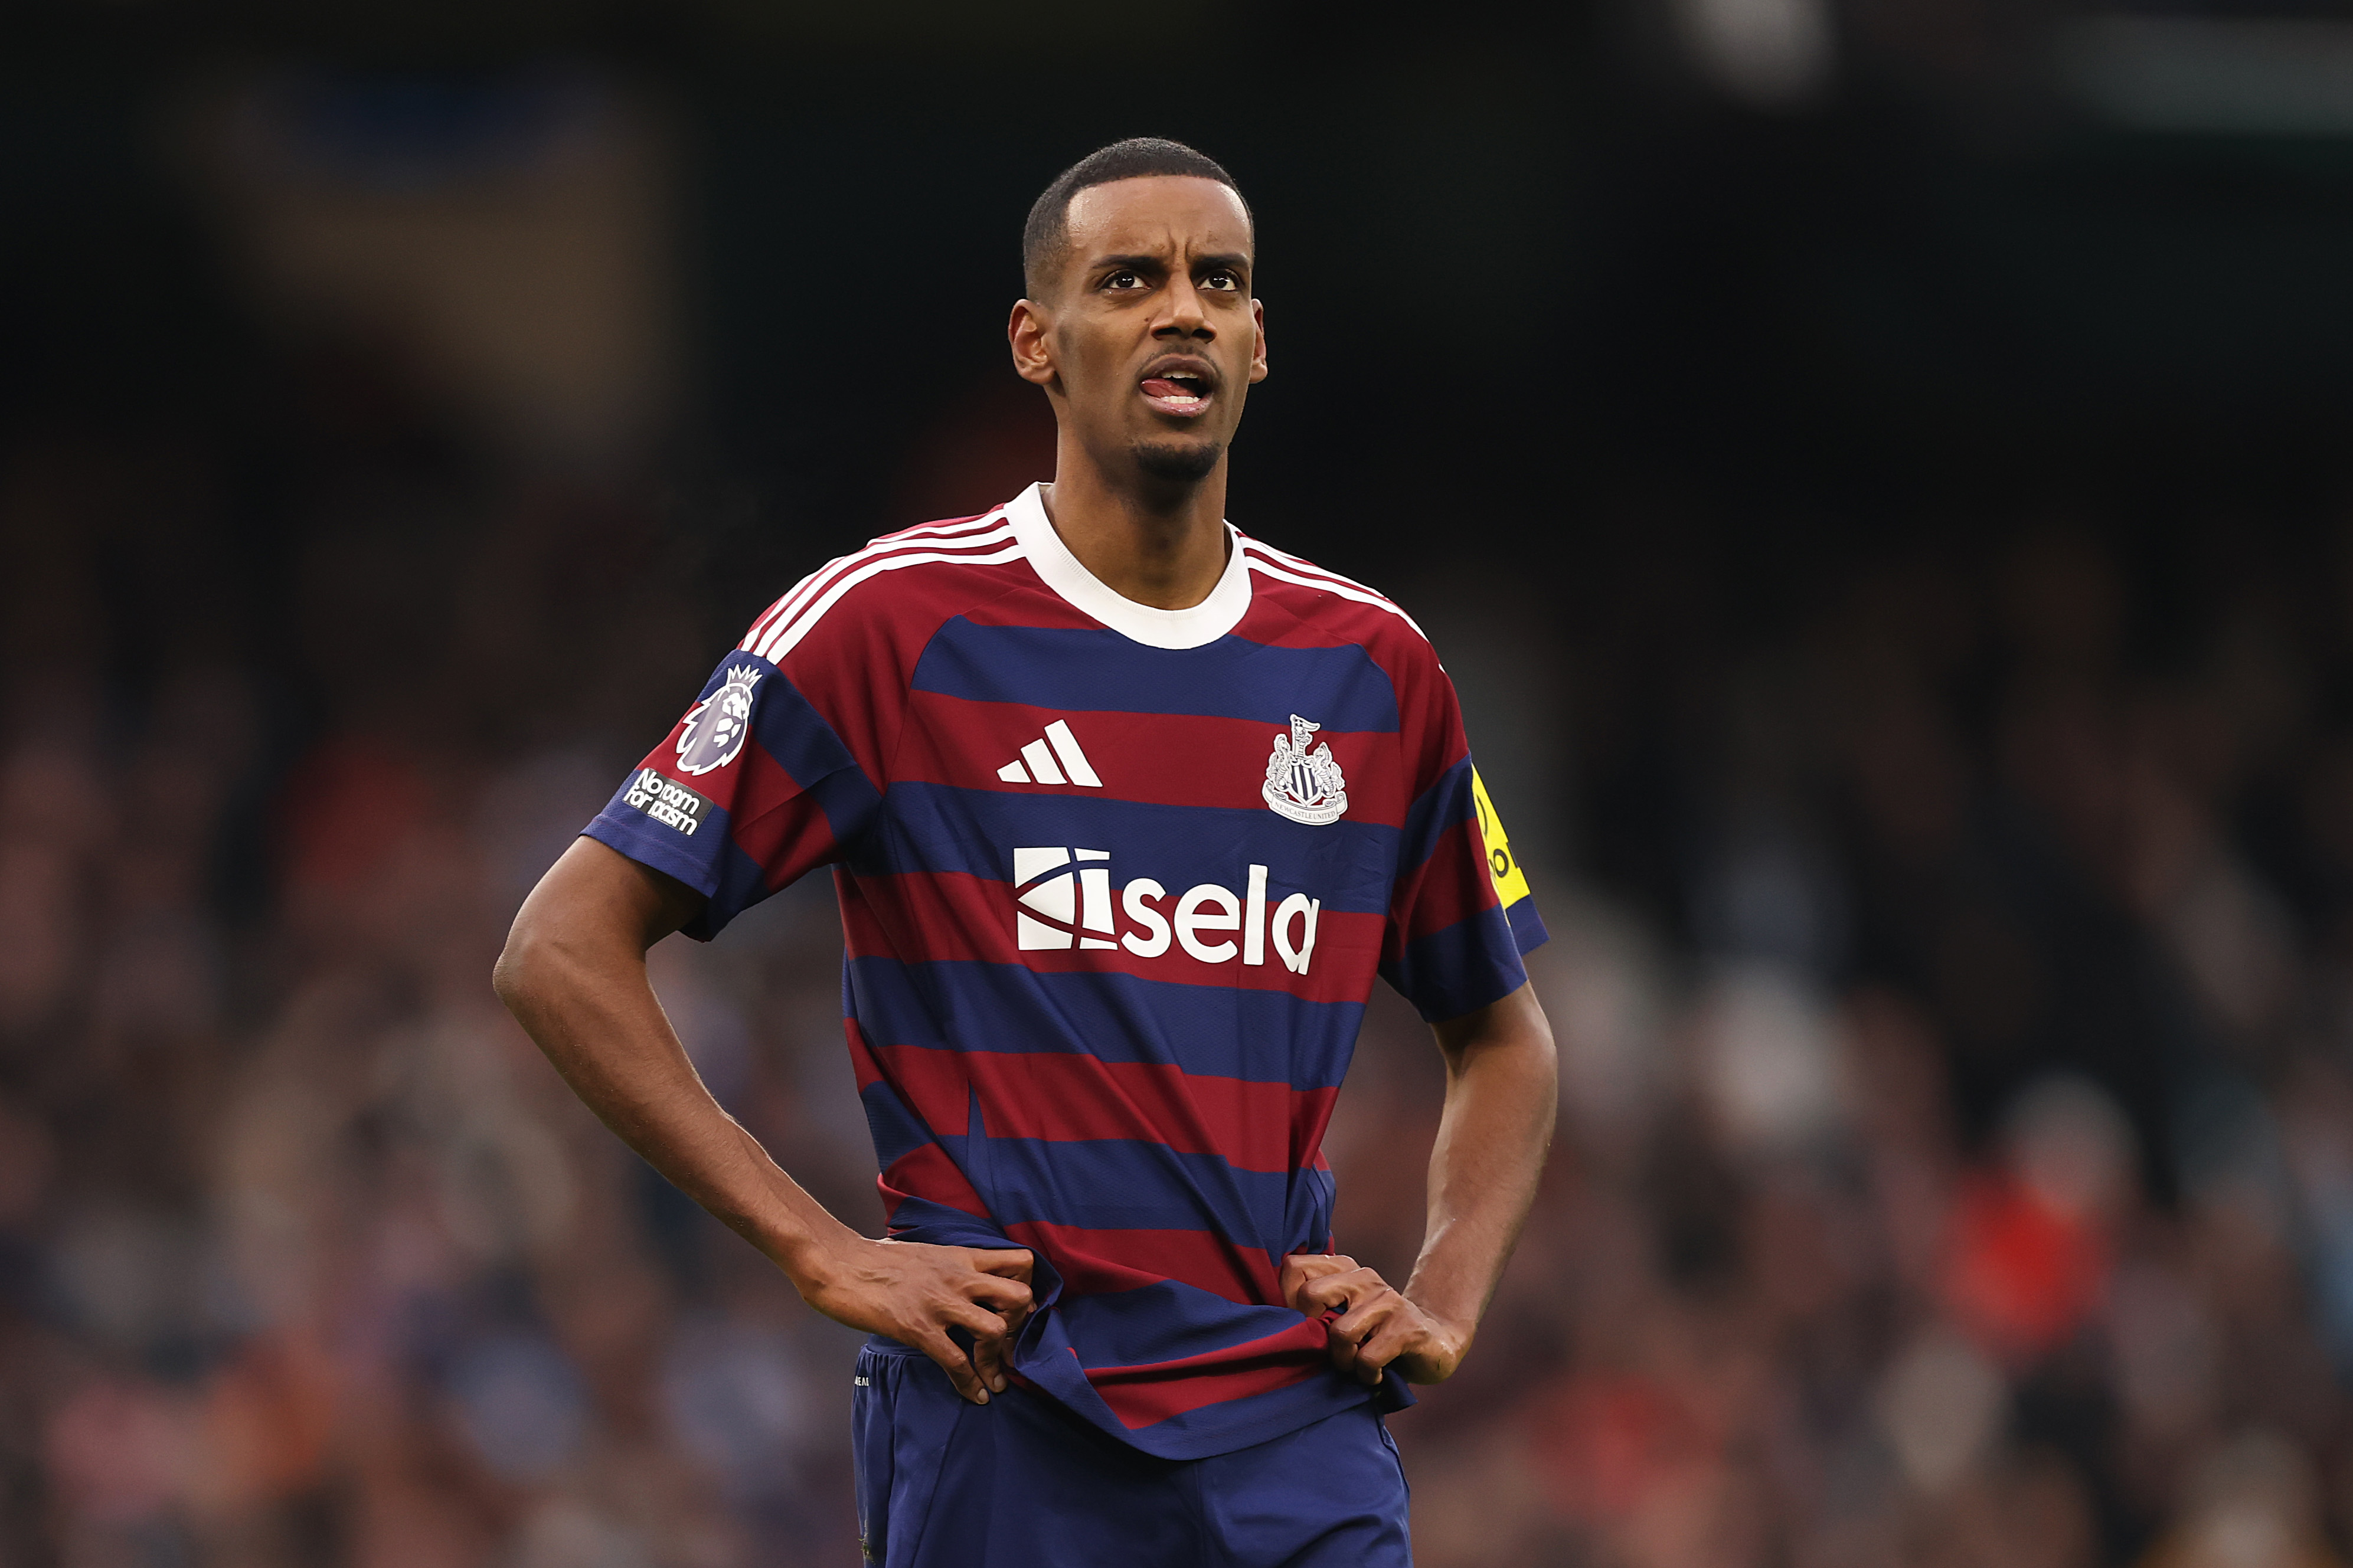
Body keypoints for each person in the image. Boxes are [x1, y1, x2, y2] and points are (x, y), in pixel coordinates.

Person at [494, 136, 1558, 1567]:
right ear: (1037, 343)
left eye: (1218, 281)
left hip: (1298, 1430)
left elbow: (1502, 1033)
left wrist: (1444, 1293)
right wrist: (822, 1248)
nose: (1182, 307)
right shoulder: (890, 627)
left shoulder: (1376, 671)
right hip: (1011, 1414)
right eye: (1129, 279)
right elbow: (559, 949)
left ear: (1256, 345)